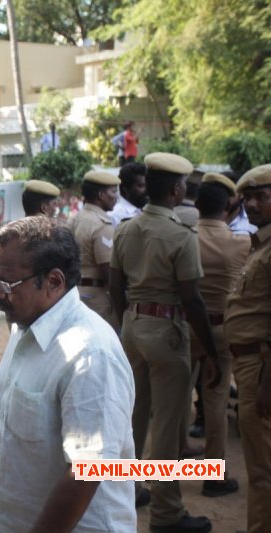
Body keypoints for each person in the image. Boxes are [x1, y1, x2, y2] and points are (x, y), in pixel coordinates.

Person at [0, 216, 136, 532]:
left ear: (53, 282)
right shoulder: (26, 326)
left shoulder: (91, 355)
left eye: (7, 284)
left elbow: (86, 471)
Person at [110, 152, 221, 533]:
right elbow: (192, 299)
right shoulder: (180, 235)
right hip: (167, 331)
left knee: (134, 418)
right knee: (169, 425)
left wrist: (131, 318)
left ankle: (127, 490)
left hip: (132, 327)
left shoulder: (125, 229)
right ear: (176, 190)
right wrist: (210, 350)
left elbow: (115, 286)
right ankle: (167, 513)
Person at [189, 173, 249, 498]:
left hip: (185, 326)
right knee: (216, 400)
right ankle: (214, 475)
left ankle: (163, 475)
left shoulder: (183, 238)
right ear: (229, 205)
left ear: (195, 204)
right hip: (222, 330)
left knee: (173, 402)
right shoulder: (241, 243)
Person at [224, 163, 271, 533]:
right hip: (250, 364)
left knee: (262, 472)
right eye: (248, 198)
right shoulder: (261, 245)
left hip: (262, 367)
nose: (252, 204)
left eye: (261, 197)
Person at [67, 170, 120, 330]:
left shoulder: (73, 219)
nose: (116, 196)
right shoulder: (101, 224)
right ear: (101, 195)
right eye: (113, 191)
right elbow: (109, 272)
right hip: (97, 299)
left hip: (74, 294)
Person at [109, 162, 148, 227]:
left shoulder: (147, 210)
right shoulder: (115, 216)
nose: (147, 190)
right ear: (125, 188)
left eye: (148, 185)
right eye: (141, 186)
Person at [224, 170, 259, 236]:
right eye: (221, 193)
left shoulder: (253, 221)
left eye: (230, 193)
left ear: (241, 194)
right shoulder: (205, 218)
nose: (224, 197)